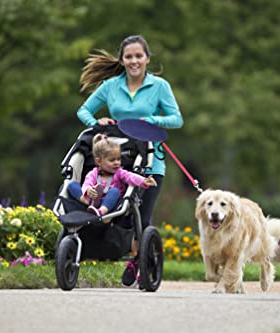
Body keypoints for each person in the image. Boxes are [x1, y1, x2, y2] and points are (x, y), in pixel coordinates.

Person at [76, 35, 183, 288]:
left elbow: (176, 119)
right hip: (118, 161)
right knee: (121, 212)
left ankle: (138, 260)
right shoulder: (111, 86)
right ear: (122, 60)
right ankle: (120, 249)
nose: (134, 61)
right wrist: (96, 122)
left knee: (142, 217)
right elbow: (83, 110)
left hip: (150, 162)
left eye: (139, 56)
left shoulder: (159, 86)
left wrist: (152, 120)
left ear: (147, 58)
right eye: (129, 56)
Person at [67, 134, 157, 217]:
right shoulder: (93, 173)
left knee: (114, 191)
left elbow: (130, 177)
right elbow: (87, 183)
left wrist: (143, 181)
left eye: (118, 159)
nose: (117, 163)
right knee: (72, 185)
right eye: (112, 160)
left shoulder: (119, 172)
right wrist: (88, 191)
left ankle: (101, 211)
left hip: (110, 202)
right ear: (99, 161)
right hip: (92, 199)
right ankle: (85, 201)